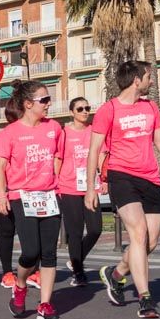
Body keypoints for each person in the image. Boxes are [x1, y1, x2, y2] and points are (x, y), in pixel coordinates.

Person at [86, 61, 160, 319]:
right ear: (136, 80)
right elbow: (93, 151)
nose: (152, 81)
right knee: (139, 233)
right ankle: (145, 299)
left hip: (150, 178)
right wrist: (91, 187)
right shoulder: (107, 110)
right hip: (122, 176)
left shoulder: (150, 107)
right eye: (148, 77)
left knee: (150, 242)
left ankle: (117, 273)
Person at [0, 81, 64, 319]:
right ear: (28, 104)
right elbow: (0, 166)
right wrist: (1, 195)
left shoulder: (54, 127)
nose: (48, 104)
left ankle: (45, 304)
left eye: (48, 99)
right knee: (31, 252)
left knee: (49, 253)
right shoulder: (9, 133)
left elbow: (58, 156)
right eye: (44, 100)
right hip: (21, 196)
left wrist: (57, 181)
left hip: (49, 196)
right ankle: (20, 283)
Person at [56, 97, 104, 286]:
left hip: (90, 187)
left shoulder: (95, 131)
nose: (85, 111)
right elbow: (58, 159)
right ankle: (78, 272)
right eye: (80, 108)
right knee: (74, 232)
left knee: (95, 229)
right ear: (72, 112)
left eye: (87, 108)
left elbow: (101, 154)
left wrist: (104, 178)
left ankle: (75, 259)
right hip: (68, 187)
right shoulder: (64, 133)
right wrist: (55, 183)